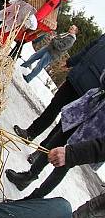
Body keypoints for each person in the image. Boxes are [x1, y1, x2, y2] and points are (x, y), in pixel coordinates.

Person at [6, 68, 105, 197]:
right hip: (85, 111)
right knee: (52, 145)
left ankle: (33, 199)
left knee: (66, 161)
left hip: (97, 127)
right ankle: (28, 176)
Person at [13, 33, 105, 143]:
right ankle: (30, 133)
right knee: (53, 107)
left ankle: (42, 152)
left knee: (65, 123)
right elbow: (87, 49)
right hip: (75, 78)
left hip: (88, 92)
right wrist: (70, 62)